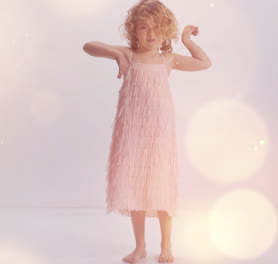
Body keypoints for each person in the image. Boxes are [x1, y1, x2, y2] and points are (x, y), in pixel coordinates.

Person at [83, 0, 211, 262]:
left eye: (157, 29)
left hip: (160, 133)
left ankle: (166, 246)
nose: (151, 34)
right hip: (132, 131)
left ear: (166, 31)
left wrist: (187, 39)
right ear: (133, 30)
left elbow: (204, 62)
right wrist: (117, 54)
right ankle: (140, 246)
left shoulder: (168, 59)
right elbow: (88, 46)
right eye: (144, 28)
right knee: (135, 187)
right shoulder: (129, 54)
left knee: (161, 186)